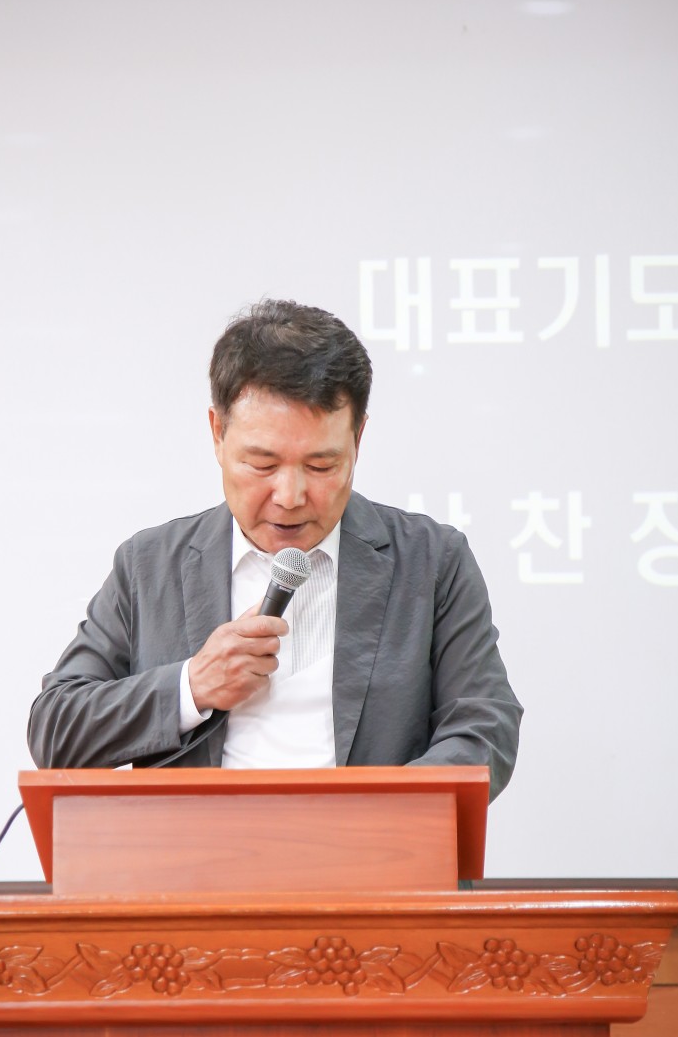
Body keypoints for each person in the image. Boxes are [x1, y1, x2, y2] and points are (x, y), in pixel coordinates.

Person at [28, 300, 521, 798]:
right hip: (197, 846)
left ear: (358, 438)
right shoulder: (149, 565)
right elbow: (55, 730)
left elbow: (485, 726)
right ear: (217, 434)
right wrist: (191, 686)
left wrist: (379, 815)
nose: (290, 496)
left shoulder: (432, 561)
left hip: (370, 843)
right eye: (263, 465)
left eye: (321, 466)